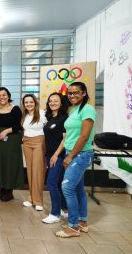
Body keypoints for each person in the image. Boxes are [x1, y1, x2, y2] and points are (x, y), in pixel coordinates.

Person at [56, 82, 96, 238]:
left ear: (84, 93)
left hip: (80, 154)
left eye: (76, 93)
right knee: (78, 189)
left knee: (67, 188)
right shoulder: (74, 109)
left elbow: (84, 136)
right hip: (72, 152)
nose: (72, 96)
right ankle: (82, 222)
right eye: (70, 93)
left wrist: (71, 156)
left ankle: (73, 227)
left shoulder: (88, 109)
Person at [0, 87, 24, 202]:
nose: (2, 97)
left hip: (12, 139)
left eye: (4, 95)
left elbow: (18, 126)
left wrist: (6, 131)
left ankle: (9, 190)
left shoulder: (15, 109)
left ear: (8, 96)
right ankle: (2, 189)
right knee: (0, 163)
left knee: (11, 163)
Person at [42, 92, 68, 224]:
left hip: (58, 155)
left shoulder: (64, 118)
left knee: (51, 183)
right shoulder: (50, 117)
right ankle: (64, 209)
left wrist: (56, 155)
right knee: (57, 183)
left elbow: (65, 139)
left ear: (61, 102)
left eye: (56, 101)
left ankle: (55, 214)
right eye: (50, 101)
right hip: (49, 155)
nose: (52, 103)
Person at [21, 94, 47, 210]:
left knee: (38, 171)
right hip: (27, 143)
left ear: (35, 102)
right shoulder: (24, 115)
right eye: (26, 102)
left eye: (31, 102)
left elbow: (47, 128)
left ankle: (39, 201)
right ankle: (31, 198)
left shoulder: (41, 113)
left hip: (39, 142)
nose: (29, 104)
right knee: (30, 171)